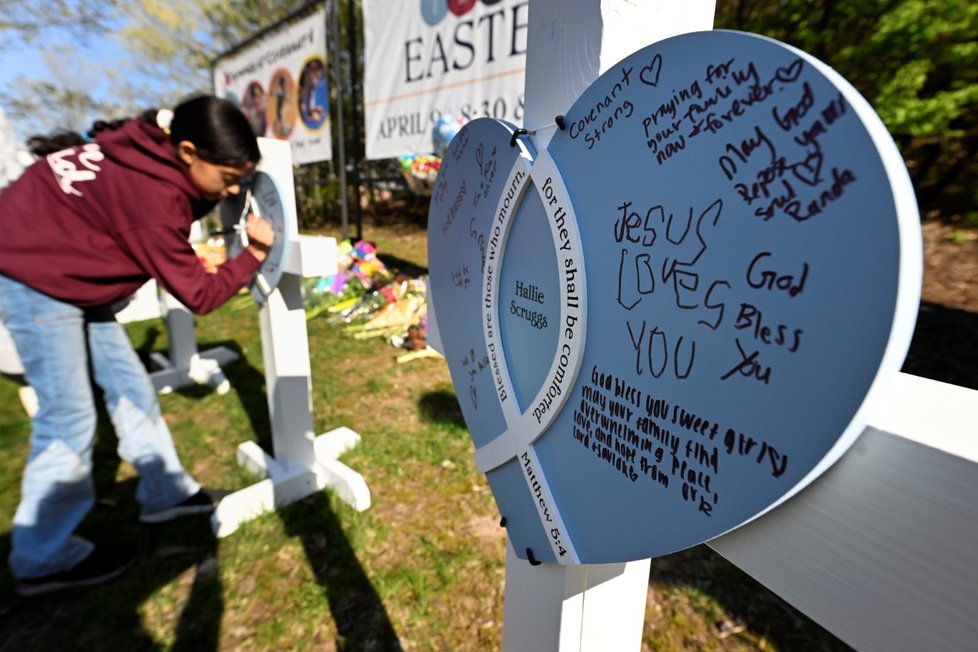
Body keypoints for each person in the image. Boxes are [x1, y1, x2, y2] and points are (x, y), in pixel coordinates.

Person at [0, 95, 275, 596]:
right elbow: (200, 294)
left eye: (242, 177)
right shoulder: (152, 200)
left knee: (130, 387)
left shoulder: (148, 144)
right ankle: (41, 558)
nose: (234, 189)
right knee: (68, 418)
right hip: (35, 277)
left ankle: (164, 492)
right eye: (228, 178)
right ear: (188, 151)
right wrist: (253, 254)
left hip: (66, 268)